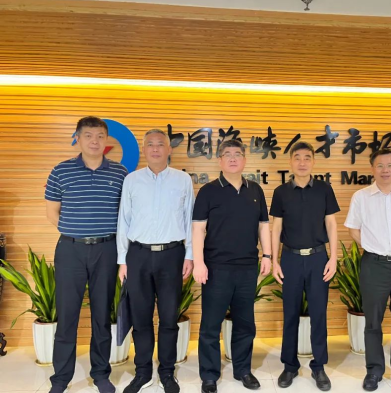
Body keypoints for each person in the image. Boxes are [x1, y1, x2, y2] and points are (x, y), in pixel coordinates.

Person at [45, 116, 128, 393]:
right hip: (71, 250)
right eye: (89, 135)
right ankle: (61, 378)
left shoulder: (120, 173)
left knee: (102, 315)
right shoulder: (61, 171)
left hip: (107, 249)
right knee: (67, 315)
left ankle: (101, 374)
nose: (95, 141)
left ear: (106, 140)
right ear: (78, 138)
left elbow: (125, 214)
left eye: (100, 136)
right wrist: (77, 232)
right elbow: (52, 212)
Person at [116, 129, 194, 393]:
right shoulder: (132, 180)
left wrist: (190, 255)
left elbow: (190, 219)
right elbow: (124, 220)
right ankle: (143, 372)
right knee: (141, 317)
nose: (156, 149)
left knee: (169, 317)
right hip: (137, 255)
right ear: (144, 149)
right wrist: (123, 259)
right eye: (150, 144)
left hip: (172, 255)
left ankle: (167, 372)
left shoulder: (183, 180)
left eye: (161, 144)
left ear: (169, 149)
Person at [192, 140, 272, 393]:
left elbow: (263, 226)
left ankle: (243, 370)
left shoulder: (255, 190)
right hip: (216, 268)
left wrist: (267, 255)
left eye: (238, 154)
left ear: (245, 160)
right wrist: (199, 263)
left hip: (247, 268)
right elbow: (198, 229)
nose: (233, 158)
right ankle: (209, 375)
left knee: (245, 323)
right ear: (220, 160)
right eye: (227, 154)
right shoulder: (208, 191)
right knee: (210, 325)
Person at [344, 148, 391, 392]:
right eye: (380, 165)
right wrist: (371, 246)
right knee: (373, 321)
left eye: (390, 165)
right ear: (372, 169)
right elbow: (353, 229)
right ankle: (374, 371)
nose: (385, 170)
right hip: (374, 265)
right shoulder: (361, 197)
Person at [271, 141, 339, 391]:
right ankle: (289, 366)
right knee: (290, 313)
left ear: (313, 161)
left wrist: (333, 258)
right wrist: (274, 260)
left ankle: (319, 366)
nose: (302, 162)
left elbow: (331, 224)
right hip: (290, 259)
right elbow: (276, 228)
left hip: (318, 259)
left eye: (307, 157)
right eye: (297, 157)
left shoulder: (324, 189)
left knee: (318, 314)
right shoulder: (281, 192)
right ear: (290, 162)